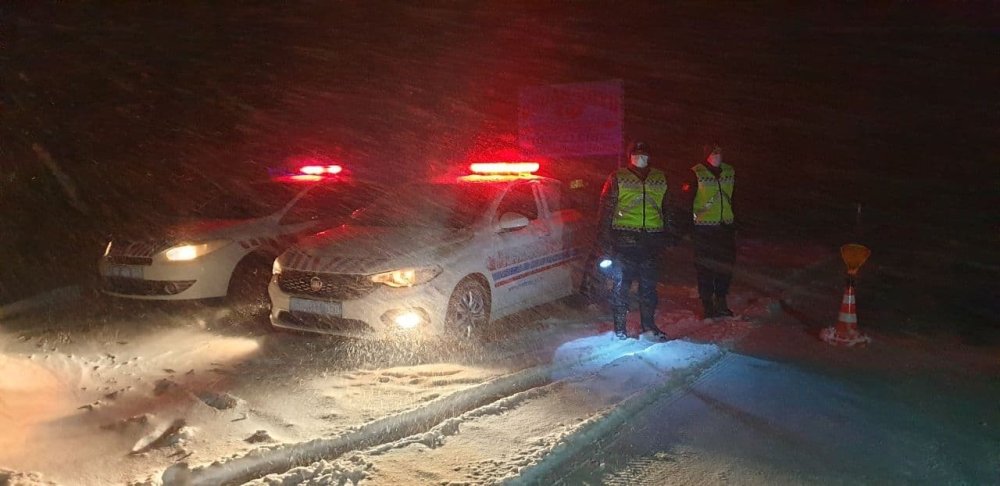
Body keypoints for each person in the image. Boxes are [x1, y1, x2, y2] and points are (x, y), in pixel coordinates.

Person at [597, 141, 673, 340]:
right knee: (622, 285)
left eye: (645, 154)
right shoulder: (617, 177)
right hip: (624, 241)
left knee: (649, 288)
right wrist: (604, 241)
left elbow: (668, 209)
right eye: (637, 154)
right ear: (629, 156)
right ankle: (620, 328)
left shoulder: (660, 178)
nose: (641, 158)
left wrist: (669, 235)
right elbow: (606, 210)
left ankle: (649, 325)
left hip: (651, 241)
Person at [685, 143, 737, 319]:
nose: (717, 155)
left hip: (725, 227)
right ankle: (707, 304)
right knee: (705, 268)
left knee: (725, 268)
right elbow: (687, 201)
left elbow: (737, 197)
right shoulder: (695, 173)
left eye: (720, 152)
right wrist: (689, 226)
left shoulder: (729, 171)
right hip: (704, 228)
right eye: (714, 152)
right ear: (706, 154)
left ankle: (721, 300)